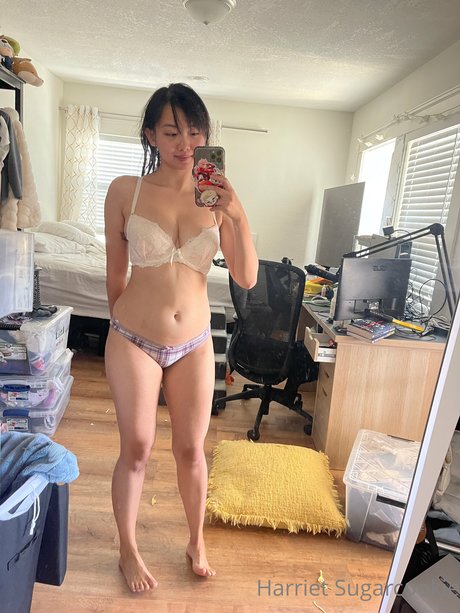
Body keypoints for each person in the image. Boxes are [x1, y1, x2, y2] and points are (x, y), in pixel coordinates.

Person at [104, 83, 258, 593]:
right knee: (137, 446)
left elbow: (246, 277)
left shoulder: (216, 196)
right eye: (171, 132)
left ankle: (197, 541)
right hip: (133, 337)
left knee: (192, 449)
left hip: (193, 341)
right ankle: (128, 549)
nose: (185, 143)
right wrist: (122, 328)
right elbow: (115, 273)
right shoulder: (125, 191)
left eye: (194, 132)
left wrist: (236, 213)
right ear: (151, 134)